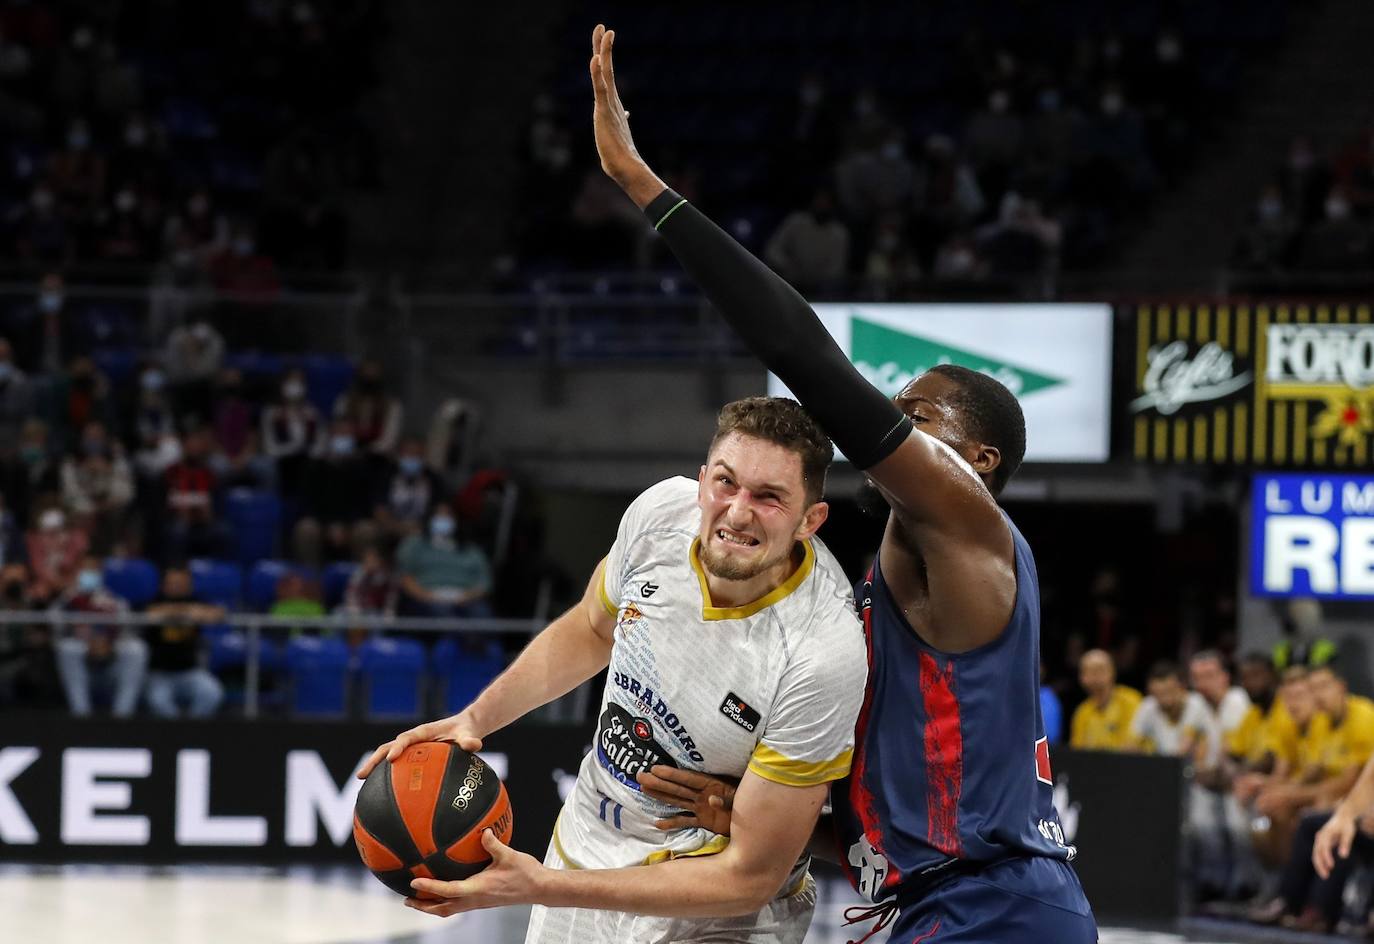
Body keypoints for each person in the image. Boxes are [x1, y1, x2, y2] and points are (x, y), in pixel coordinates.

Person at [392, 25, 1094, 943]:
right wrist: (777, 819)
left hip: (991, 907)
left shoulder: (968, 524)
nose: (889, 420)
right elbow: (913, 799)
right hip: (930, 899)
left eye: (916, 416)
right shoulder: (890, 579)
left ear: (981, 462)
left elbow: (800, 349)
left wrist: (645, 187)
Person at [360, 396, 867, 943]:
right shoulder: (658, 517)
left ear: (810, 520)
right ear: (701, 483)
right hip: (590, 842)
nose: (738, 511)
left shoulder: (823, 652)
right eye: (726, 483)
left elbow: (750, 876)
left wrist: (540, 887)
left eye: (769, 498)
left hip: (722, 906)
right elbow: (592, 629)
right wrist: (475, 719)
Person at [142, 567, 224, 718]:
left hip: (190, 672)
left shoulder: (195, 600)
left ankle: (190, 732)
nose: (176, 586)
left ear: (189, 585)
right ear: (164, 585)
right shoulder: (155, 600)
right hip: (159, 674)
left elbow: (217, 614)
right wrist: (184, 612)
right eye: (172, 583)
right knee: (158, 701)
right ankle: (176, 737)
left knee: (212, 692)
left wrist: (184, 611)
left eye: (180, 583)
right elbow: (150, 614)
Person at [395, 503, 492, 619]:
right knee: (441, 613)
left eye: (447, 515)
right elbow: (405, 577)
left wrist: (466, 597)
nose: (443, 519)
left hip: (465, 599)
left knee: (481, 613)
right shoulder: (414, 545)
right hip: (427, 597)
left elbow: (484, 583)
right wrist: (427, 596)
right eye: (439, 515)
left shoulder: (471, 550)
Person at [1069, 648, 1142, 750]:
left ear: (1113, 672)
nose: (1094, 676)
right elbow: (1077, 750)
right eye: (1088, 671)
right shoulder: (1082, 712)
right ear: (1081, 677)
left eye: (1099, 670)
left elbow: (1133, 744)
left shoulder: (1131, 700)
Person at [1130, 661, 1208, 755]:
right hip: (1166, 764)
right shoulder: (1148, 705)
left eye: (1169, 692)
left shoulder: (1196, 703)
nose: (1164, 700)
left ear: (1182, 687)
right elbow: (1131, 744)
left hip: (1198, 767)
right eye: (1158, 694)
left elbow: (1183, 749)